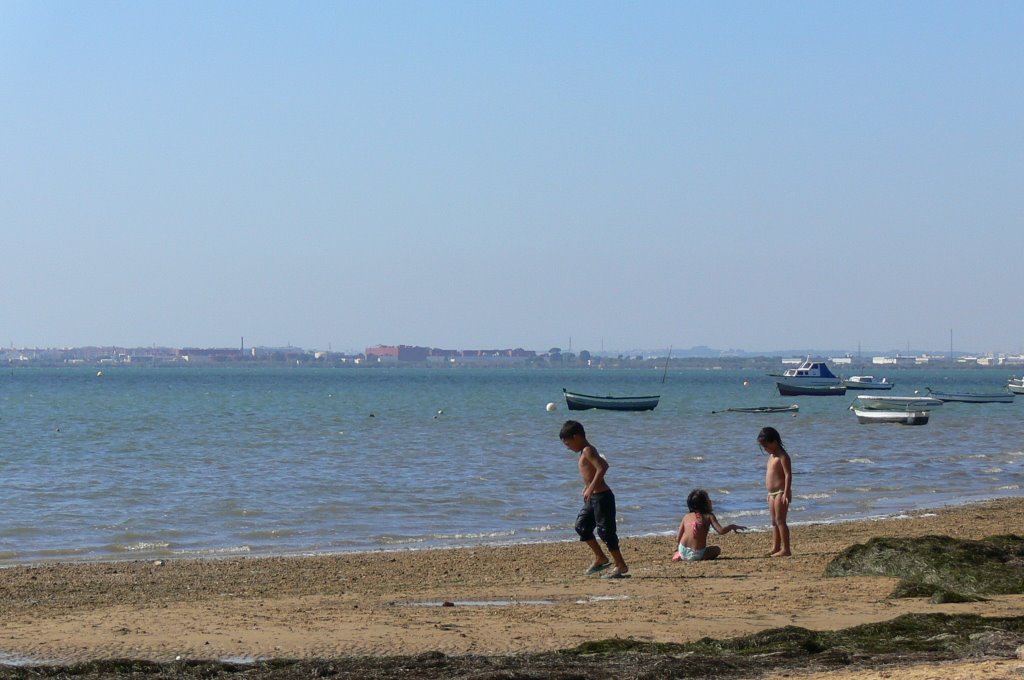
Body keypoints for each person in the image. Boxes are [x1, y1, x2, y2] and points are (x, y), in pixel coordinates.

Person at [559, 420, 629, 579]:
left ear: (576, 437)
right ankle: (600, 557)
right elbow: (597, 467)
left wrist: (591, 487)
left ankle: (620, 565)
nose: (568, 447)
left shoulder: (588, 450)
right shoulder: (584, 452)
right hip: (593, 498)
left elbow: (603, 467)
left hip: (602, 497)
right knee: (582, 526)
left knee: (606, 532)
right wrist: (589, 486)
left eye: (568, 443)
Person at [673, 488, 746, 561]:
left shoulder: (686, 516)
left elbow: (678, 537)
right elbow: (721, 531)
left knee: (685, 550)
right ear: (705, 504)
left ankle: (679, 555)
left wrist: (680, 549)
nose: (711, 501)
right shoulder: (709, 516)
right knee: (717, 549)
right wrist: (732, 526)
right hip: (697, 554)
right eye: (708, 500)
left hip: (682, 550)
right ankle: (700, 557)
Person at [758, 426, 792, 557]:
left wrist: (787, 491)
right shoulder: (772, 456)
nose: (765, 449)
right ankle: (776, 547)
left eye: (766, 446)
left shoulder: (783, 456)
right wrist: (768, 493)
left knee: (780, 520)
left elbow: (788, 474)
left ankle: (786, 549)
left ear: (775, 441)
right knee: (773, 521)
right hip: (771, 494)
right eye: (763, 447)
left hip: (781, 492)